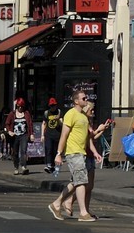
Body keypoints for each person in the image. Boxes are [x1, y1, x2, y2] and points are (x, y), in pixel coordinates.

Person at [51, 88, 103, 222]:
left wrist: (95, 152)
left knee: (76, 181)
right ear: (76, 101)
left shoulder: (83, 118)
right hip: (73, 152)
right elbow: (64, 135)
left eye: (86, 98)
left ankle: (56, 204)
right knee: (81, 182)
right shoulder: (71, 114)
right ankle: (83, 213)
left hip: (82, 153)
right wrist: (58, 153)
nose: (86, 100)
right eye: (83, 98)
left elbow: (87, 139)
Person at [7, 95, 33, 174]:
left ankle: (23, 166)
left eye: (22, 106)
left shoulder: (26, 113)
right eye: (19, 106)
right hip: (15, 136)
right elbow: (7, 123)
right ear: (16, 106)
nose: (20, 108)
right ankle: (16, 167)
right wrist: (9, 131)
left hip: (24, 135)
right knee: (15, 152)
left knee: (23, 150)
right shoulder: (12, 114)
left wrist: (31, 134)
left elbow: (30, 124)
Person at [43, 97, 63, 174]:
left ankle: (54, 166)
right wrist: (42, 135)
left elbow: (62, 123)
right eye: (51, 106)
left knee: (55, 150)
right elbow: (44, 123)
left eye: (54, 105)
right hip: (48, 134)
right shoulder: (46, 113)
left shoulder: (59, 112)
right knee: (49, 149)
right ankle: (48, 165)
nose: (53, 107)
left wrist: (58, 119)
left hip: (57, 134)